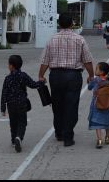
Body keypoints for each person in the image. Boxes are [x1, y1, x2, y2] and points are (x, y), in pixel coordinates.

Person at [38, 13, 95, 147]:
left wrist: (41, 75)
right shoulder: (79, 39)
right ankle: (68, 136)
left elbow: (45, 60)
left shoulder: (52, 40)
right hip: (73, 76)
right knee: (71, 105)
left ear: (59, 24)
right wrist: (91, 75)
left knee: (57, 104)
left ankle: (59, 133)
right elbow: (87, 60)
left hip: (56, 76)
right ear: (71, 24)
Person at [1, 55, 45, 153]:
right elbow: (33, 85)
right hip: (22, 103)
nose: (8, 66)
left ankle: (13, 140)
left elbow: (4, 93)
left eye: (9, 64)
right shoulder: (23, 75)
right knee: (22, 122)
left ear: (12, 66)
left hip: (11, 104)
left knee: (13, 123)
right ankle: (19, 137)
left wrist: (3, 108)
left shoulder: (7, 78)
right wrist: (41, 82)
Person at [88, 62, 109, 149]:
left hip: (97, 105)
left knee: (97, 122)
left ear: (101, 71)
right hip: (107, 105)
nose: (95, 70)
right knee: (107, 120)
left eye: (97, 69)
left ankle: (99, 140)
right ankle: (107, 136)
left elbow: (89, 87)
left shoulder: (96, 80)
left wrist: (89, 81)